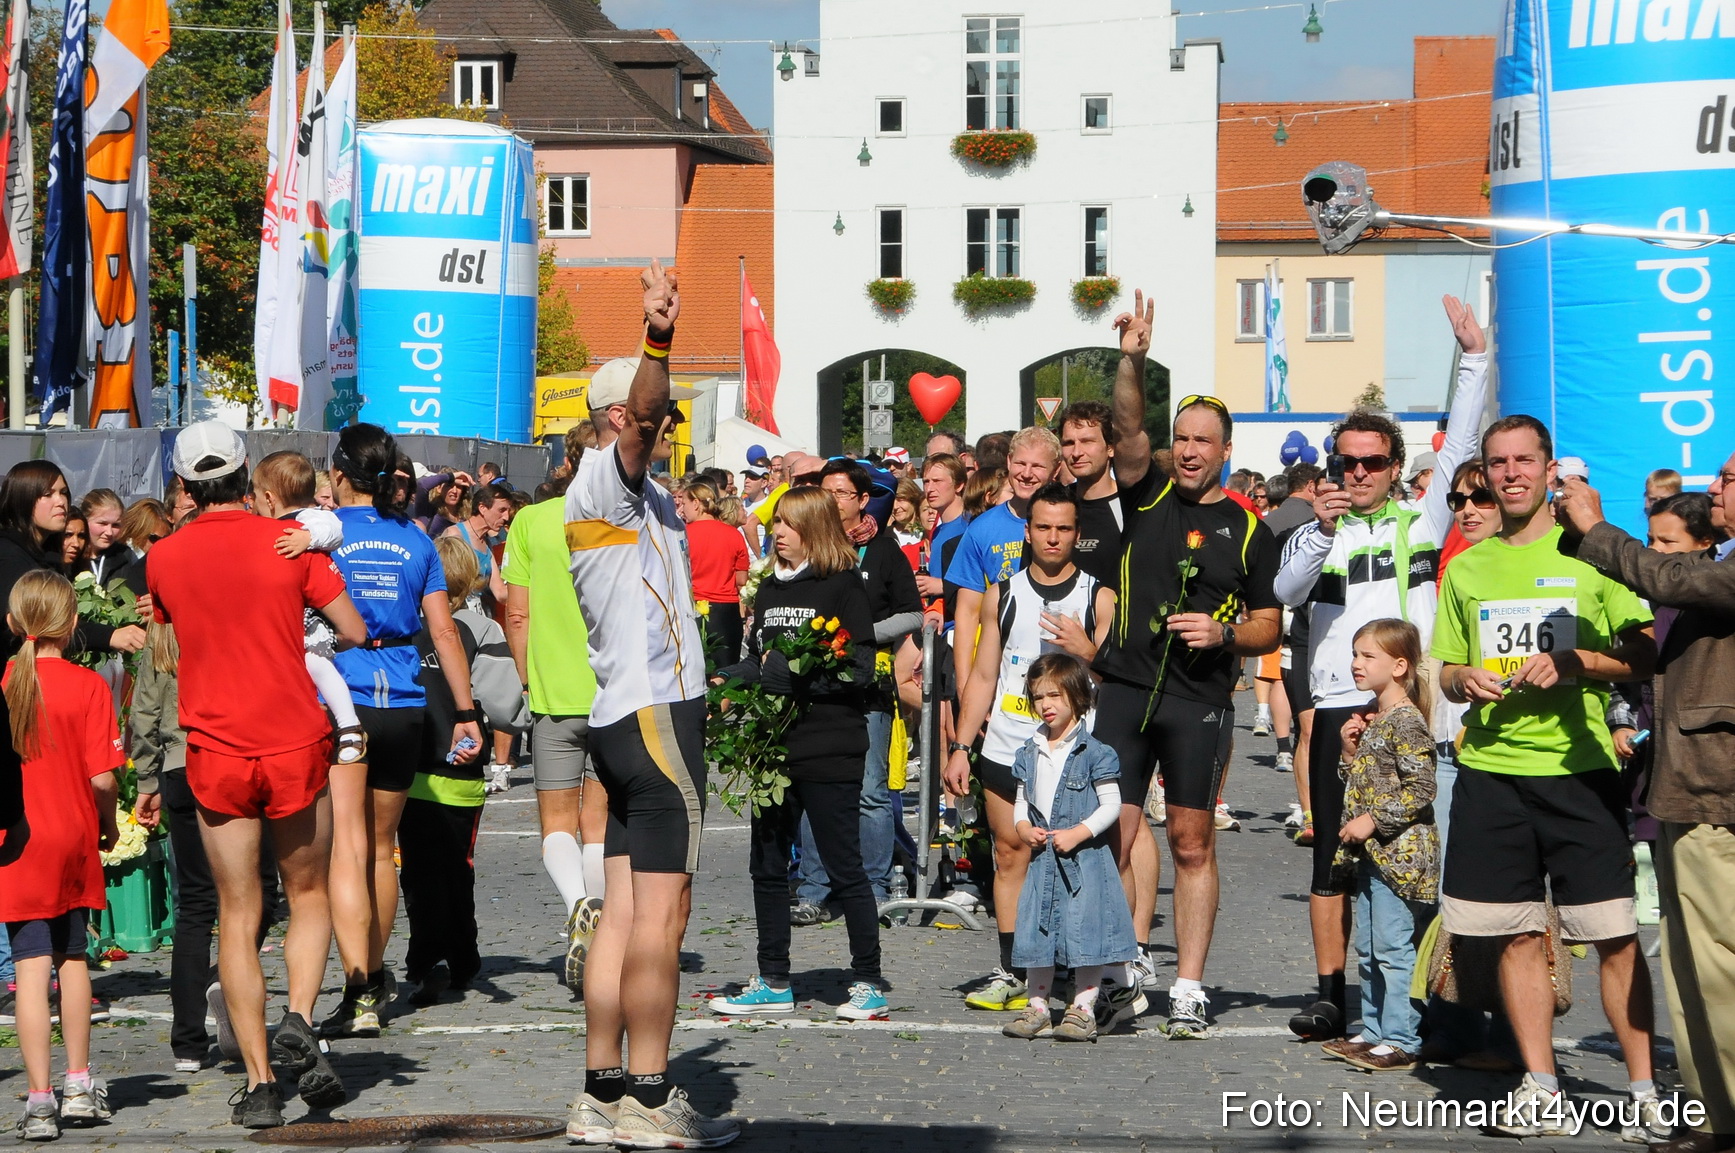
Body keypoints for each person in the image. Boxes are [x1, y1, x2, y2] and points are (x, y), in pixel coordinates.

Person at [1432, 415, 1664, 1141]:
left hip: (1578, 772)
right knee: (1514, 933)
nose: (1508, 474)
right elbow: (1441, 668)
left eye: (1521, 460)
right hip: (1492, 774)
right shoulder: (1467, 566)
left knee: (1613, 937)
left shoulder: (1589, 556)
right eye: (1496, 463)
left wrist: (1575, 663)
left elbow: (1643, 654)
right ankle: (1540, 1086)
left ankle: (1645, 1090)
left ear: (1546, 468)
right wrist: (1460, 676)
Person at [1273, 296, 1488, 1042]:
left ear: (1393, 468)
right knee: (1340, 858)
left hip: (1410, 707)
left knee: (1415, 855)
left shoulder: (1420, 520)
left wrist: (1474, 361)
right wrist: (1320, 528)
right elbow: (1283, 593)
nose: (1357, 473)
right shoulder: (1317, 529)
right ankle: (1339, 993)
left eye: (1371, 463)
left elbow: (1460, 446)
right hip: (1337, 704)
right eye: (1345, 462)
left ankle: (1429, 1002)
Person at [560, 263, 738, 1149]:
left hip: (625, 718)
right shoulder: (605, 475)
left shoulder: (635, 492)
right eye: (658, 418)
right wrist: (656, 336)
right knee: (662, 919)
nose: (668, 429)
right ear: (623, 419)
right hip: (657, 720)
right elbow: (639, 415)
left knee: (622, 915)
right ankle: (649, 1096)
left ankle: (599, 1091)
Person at [145, 421, 367, 1128]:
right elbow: (354, 629)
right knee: (306, 892)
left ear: (183, 486)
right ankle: (299, 1016)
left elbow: (183, 621)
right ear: (247, 474)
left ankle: (261, 1081)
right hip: (294, 736)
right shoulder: (286, 544)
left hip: (215, 744)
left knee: (237, 916)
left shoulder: (164, 558)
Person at [1092, 289, 1282, 1039]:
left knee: (1191, 841)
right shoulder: (1146, 492)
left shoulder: (1246, 526)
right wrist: (1131, 358)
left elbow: (1268, 624)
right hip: (1128, 688)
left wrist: (1224, 633)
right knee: (1112, 828)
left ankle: (1190, 983)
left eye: (1205, 439)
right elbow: (1126, 426)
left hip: (1199, 697)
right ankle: (1120, 962)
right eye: (1184, 437)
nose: (1193, 448)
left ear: (1226, 450)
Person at [1557, 459, 1735, 1153]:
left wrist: (1596, 528)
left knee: (1719, 960)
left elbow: (1670, 578)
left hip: (1717, 789)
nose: (1715, 487)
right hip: (1686, 783)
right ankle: (1713, 1117)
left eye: (1727, 478)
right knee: (1692, 967)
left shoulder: (1717, 567)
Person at [321, 425, 484, 1040]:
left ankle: (357, 983)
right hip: (406, 702)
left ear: (340, 474)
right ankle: (374, 984)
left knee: (348, 848)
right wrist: (465, 712)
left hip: (345, 698)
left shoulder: (328, 534)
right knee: (385, 848)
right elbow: (443, 634)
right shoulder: (416, 540)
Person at [707, 487, 887, 1021]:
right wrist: (724, 680)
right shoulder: (768, 590)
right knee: (766, 865)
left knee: (843, 865)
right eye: (775, 523)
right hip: (773, 748)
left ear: (812, 527)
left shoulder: (841, 586)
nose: (776, 532)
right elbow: (760, 661)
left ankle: (868, 980)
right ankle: (774, 979)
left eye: (786, 523)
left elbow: (858, 670)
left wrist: (801, 675)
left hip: (831, 746)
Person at [945, 485, 1115, 1014]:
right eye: (1043, 527)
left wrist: (1087, 650)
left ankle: (1075, 970)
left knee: (1074, 859)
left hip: (1073, 757)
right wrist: (960, 745)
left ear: (1078, 535)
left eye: (1064, 529)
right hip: (1008, 745)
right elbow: (984, 674)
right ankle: (1013, 968)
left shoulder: (1098, 596)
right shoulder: (1005, 592)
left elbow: (1114, 677)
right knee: (1011, 852)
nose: (1053, 538)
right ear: (1028, 531)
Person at [0, 571, 120, 1141]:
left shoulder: (3, 683)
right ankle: (78, 1083)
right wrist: (105, 824)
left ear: (12, 622)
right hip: (72, 834)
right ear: (73, 625)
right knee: (73, 959)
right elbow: (103, 777)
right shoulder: (88, 685)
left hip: (16, 841)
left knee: (28, 969)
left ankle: (40, 1098)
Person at [399, 538, 527, 1006]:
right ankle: (461, 957)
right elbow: (504, 704)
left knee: (416, 868)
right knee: (457, 868)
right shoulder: (478, 629)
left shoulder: (404, 623)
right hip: (460, 772)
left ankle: (422, 956)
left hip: (409, 771)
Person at [793, 460, 921, 911]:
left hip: (868, 684)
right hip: (816, 685)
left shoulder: (884, 551)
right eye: (824, 491)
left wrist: (860, 631)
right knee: (815, 786)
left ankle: (873, 891)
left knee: (869, 791)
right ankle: (813, 888)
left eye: (841, 493)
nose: (831, 501)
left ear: (863, 500)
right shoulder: (808, 548)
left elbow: (912, 612)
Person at [502, 455, 608, 993]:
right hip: (613, 692)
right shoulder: (619, 512)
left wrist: (527, 678)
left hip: (553, 693)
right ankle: (605, 929)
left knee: (556, 824)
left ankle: (579, 907)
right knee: (600, 825)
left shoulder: (531, 520)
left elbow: (515, 613)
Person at [1319, 619, 1438, 1072]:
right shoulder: (1376, 718)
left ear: (1400, 665)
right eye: (1355, 654)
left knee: (1394, 950)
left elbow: (1422, 788)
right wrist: (1350, 756)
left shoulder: (1406, 720)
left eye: (1368, 656)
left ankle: (1402, 1037)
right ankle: (1373, 1031)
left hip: (1402, 859)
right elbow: (1366, 784)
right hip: (1372, 858)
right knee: (1369, 951)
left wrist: (1373, 819)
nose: (1356, 664)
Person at [998, 653, 1135, 1043]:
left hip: (1085, 861)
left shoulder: (1095, 752)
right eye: (1038, 697)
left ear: (1077, 697)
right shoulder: (1029, 750)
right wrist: (1022, 826)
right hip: (1044, 861)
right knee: (1037, 932)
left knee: (1085, 934)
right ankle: (1038, 1005)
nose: (1046, 705)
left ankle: (1083, 1007)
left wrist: (1080, 831)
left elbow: (1111, 804)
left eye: (1055, 696)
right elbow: (1023, 800)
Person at [250, 452, 368, 767]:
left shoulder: (310, 517)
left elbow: (334, 529)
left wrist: (308, 537)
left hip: (311, 615)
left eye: (257, 498)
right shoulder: (265, 527)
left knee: (316, 662)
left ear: (269, 498)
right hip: (287, 615)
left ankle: (349, 725)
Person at [946, 429, 1061, 694]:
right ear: (1008, 462)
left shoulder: (1071, 521)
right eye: (1020, 463)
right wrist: (965, 687)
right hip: (1000, 670)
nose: (1027, 473)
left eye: (1038, 466)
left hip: (1059, 665)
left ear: (1055, 470)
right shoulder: (982, 528)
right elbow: (967, 613)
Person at [0, 462, 145, 662]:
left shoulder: (48, 555)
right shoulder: (9, 557)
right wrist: (110, 636)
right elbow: (43, 624)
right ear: (22, 498)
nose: (60, 501)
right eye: (48, 494)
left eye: (64, 492)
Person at [676, 477, 751, 667]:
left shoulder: (683, 534)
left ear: (696, 503)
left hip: (692, 607)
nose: (682, 509)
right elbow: (741, 579)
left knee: (693, 668)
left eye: (684, 503)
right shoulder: (734, 534)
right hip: (726, 609)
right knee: (725, 669)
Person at [1057, 402, 1122, 585]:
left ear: (1111, 448)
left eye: (1087, 441)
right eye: (1069, 443)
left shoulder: (1130, 506)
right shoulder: (1054, 504)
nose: (1077, 452)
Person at [442, 482, 512, 614]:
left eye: (508, 511)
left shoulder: (486, 545)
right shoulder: (455, 535)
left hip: (477, 619)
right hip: (455, 616)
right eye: (501, 510)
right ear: (482, 508)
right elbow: (447, 588)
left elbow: (500, 593)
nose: (506, 517)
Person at [74, 490, 126, 584]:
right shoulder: (71, 556)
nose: (109, 532)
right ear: (84, 520)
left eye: (115, 525)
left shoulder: (126, 557)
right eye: (102, 523)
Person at [890, 479, 924, 570]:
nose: (895, 507)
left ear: (913, 500)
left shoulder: (928, 534)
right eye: (891, 501)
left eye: (900, 500)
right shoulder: (885, 536)